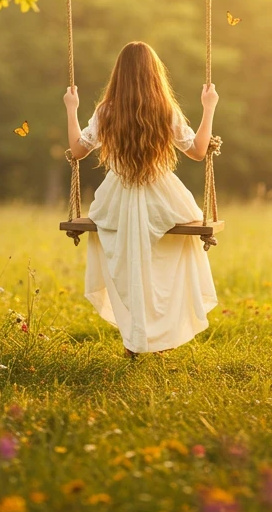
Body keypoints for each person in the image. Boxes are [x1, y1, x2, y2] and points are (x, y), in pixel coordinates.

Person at [64, 41, 219, 356]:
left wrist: (71, 108)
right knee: (162, 266)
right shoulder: (165, 110)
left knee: (127, 266)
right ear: (155, 74)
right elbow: (198, 152)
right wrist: (209, 108)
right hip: (162, 197)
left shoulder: (106, 111)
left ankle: (137, 338)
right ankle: (157, 336)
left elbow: (78, 151)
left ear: (118, 74)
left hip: (116, 199)